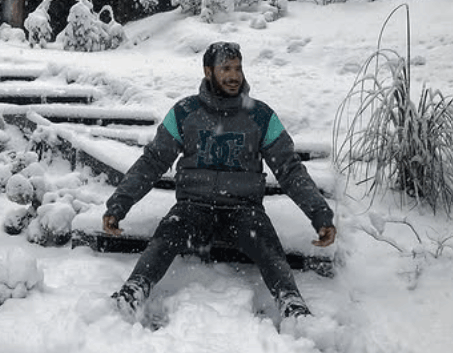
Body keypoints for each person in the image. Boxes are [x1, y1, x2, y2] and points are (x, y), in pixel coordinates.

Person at [102, 41, 336, 324]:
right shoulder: (185, 112)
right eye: (225, 68)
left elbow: (289, 169)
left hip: (244, 211)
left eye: (237, 68)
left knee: (266, 241)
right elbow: (153, 161)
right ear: (208, 71)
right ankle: (135, 289)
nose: (234, 76)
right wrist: (118, 205)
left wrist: (320, 214)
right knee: (168, 232)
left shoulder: (260, 116)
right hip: (193, 207)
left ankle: (291, 303)